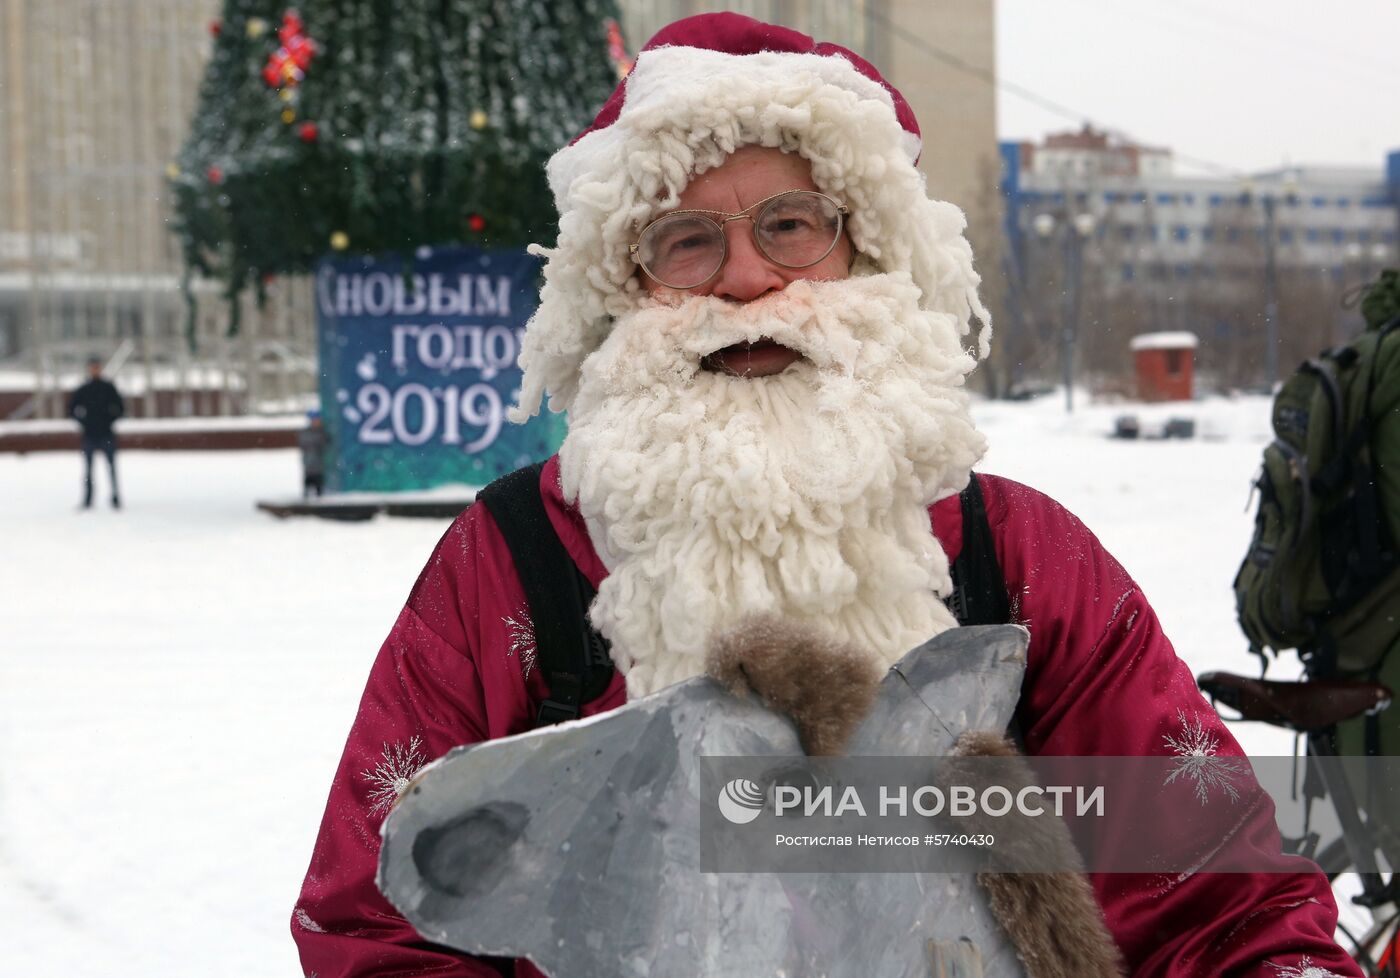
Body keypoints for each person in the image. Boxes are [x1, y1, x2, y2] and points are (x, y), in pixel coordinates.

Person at [292, 15, 1361, 977]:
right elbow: (379, 919)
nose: (747, 280)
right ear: (621, 292)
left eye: (790, 225)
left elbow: (1220, 895)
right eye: (687, 242)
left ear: (868, 256)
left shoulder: (1017, 555)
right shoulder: (512, 563)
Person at [68, 355, 124, 510]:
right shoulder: (84, 389)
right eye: (92, 367)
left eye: (97, 367)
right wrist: (84, 422)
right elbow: (72, 408)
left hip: (106, 433)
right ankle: (88, 499)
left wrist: (109, 420)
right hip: (90, 434)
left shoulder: (108, 387)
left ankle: (115, 497)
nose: (95, 370)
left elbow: (120, 407)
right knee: (88, 469)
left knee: (111, 467)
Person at [299, 410, 329, 497]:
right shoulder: (306, 432)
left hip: (319, 463)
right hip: (309, 462)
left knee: (319, 483)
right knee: (308, 481)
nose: (316, 422)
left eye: (317, 420)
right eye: (314, 420)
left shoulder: (322, 432)